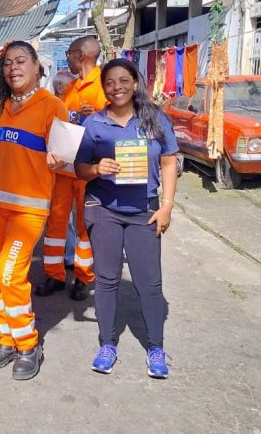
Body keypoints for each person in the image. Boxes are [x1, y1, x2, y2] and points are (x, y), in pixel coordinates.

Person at [74, 58, 179, 378]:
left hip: (144, 212)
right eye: (109, 83)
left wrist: (167, 206)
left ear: (135, 83)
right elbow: (80, 169)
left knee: (149, 283)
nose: (116, 87)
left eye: (123, 80)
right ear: (103, 88)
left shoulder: (155, 119)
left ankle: (156, 348)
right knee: (106, 281)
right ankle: (107, 344)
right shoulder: (93, 124)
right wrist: (96, 169)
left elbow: (169, 162)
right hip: (103, 209)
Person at [0, 41, 67, 381]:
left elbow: (63, 156)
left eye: (21, 61)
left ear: (36, 67)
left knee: (11, 276)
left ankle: (28, 345)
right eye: (8, 63)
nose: (13, 68)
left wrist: (60, 159)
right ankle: (7, 339)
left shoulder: (52, 106)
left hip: (28, 210)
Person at [37, 36, 107, 301]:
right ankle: (54, 274)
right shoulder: (72, 87)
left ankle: (83, 277)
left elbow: (117, 121)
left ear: (81, 55)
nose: (66, 58)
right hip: (65, 168)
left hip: (88, 170)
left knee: (83, 224)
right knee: (55, 221)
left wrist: (98, 113)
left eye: (69, 54)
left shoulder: (103, 85)